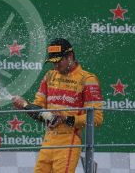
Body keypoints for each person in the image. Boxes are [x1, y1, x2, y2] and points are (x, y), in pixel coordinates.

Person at [12, 38, 104, 173]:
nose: (55, 66)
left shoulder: (87, 79)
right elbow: (38, 107)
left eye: (58, 61)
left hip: (69, 141)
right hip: (48, 140)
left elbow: (96, 118)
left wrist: (66, 118)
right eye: (52, 62)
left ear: (70, 56)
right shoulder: (49, 76)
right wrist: (25, 106)